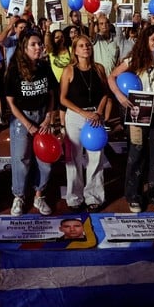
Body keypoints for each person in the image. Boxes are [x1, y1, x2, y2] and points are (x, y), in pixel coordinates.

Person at [108, 24, 154, 213]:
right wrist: (120, 97)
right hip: (139, 113)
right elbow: (112, 77)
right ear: (145, 42)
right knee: (136, 155)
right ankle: (134, 196)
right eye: (153, 39)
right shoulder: (134, 59)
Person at [5, 31, 58, 216]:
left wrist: (48, 117)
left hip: (43, 117)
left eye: (40, 44)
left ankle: (39, 194)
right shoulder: (14, 69)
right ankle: (19, 196)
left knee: (46, 160)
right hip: (22, 119)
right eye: (34, 45)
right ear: (24, 48)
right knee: (21, 159)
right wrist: (28, 125)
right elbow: (10, 102)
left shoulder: (44, 66)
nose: (39, 48)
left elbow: (52, 94)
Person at [60, 34, 111, 212]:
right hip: (75, 116)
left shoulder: (99, 69)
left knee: (95, 157)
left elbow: (105, 93)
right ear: (75, 50)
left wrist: (98, 112)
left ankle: (94, 196)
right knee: (73, 157)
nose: (85, 48)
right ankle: (74, 197)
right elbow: (63, 99)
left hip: (95, 117)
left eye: (88, 45)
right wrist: (83, 112)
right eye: (81, 46)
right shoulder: (69, 70)